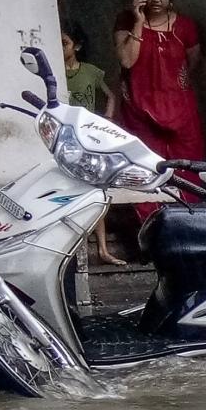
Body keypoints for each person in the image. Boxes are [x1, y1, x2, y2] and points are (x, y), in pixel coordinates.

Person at [116, 0, 205, 220]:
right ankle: (150, 229)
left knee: (186, 169)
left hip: (180, 112)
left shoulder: (185, 27)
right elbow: (126, 61)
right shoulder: (127, 20)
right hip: (139, 112)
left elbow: (193, 61)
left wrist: (176, 85)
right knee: (144, 168)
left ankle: (186, 224)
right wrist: (139, 22)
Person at [61, 21, 125, 265]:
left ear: (77, 46)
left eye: (65, 43)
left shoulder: (90, 71)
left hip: (88, 138)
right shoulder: (55, 72)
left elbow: (111, 95)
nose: (61, 48)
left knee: (97, 190)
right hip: (66, 138)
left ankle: (103, 249)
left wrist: (107, 121)